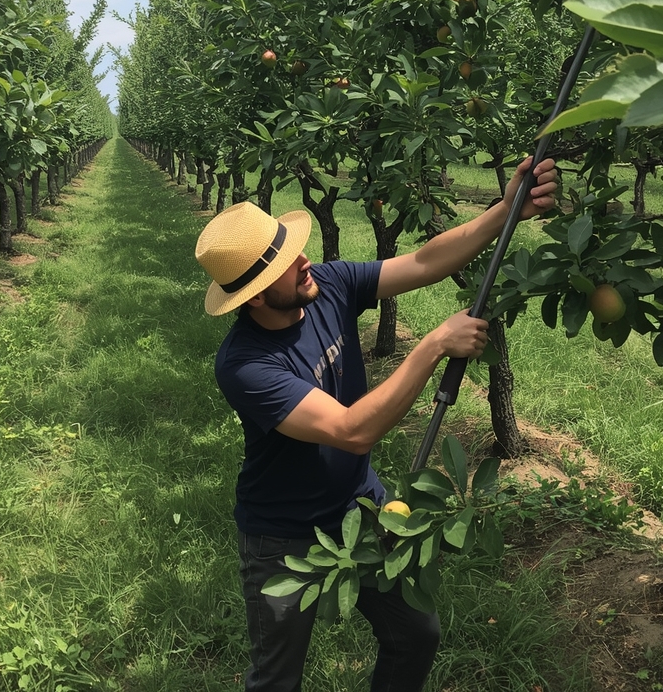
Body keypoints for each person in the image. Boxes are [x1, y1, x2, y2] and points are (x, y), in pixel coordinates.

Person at [195, 156, 558, 692]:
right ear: (255, 296)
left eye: (296, 251)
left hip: (360, 509)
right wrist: (434, 344)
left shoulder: (327, 283)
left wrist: (505, 211)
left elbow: (424, 262)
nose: (305, 263)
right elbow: (351, 429)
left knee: (416, 634)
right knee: (276, 678)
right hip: (281, 538)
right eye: (284, 267)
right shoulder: (245, 365)